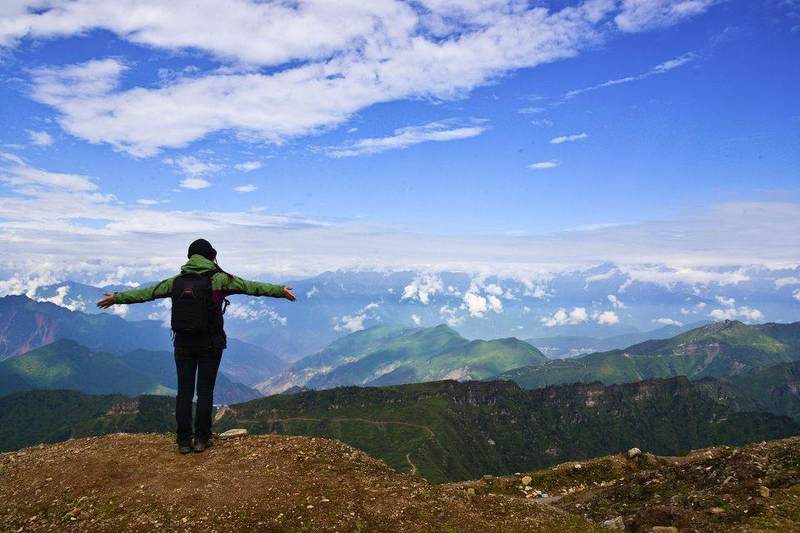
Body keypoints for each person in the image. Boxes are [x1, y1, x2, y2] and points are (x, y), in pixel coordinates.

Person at [97, 239, 296, 454]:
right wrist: (279, 290)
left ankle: (183, 441)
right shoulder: (219, 279)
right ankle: (201, 439)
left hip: (183, 344)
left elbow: (147, 293)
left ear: (190, 257)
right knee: (205, 392)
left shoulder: (176, 282)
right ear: (211, 256)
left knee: (184, 392)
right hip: (211, 344)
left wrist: (117, 297)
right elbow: (251, 287)